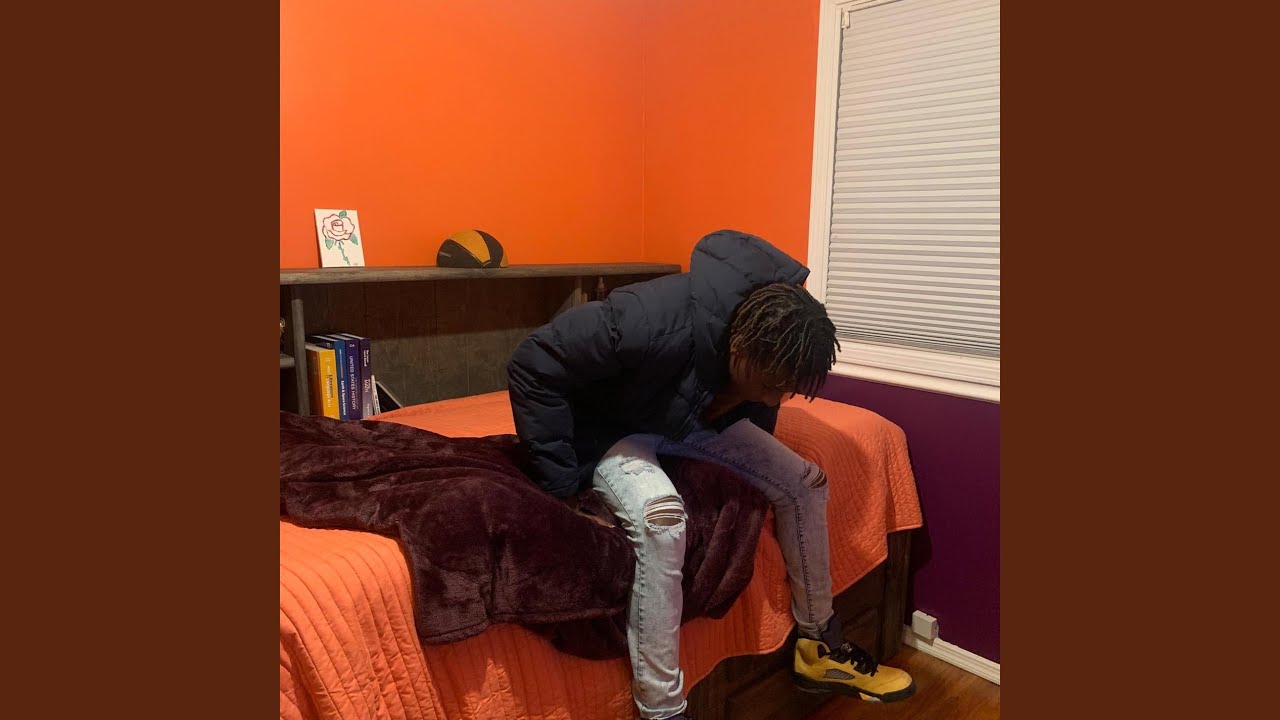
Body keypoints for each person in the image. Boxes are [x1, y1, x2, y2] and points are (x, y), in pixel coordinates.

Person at [507, 230, 915, 719]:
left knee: (806, 483)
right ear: (741, 345)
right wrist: (562, 487)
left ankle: (819, 646)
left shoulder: (771, 340)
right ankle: (662, 710)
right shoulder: (644, 317)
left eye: (785, 390)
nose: (774, 399)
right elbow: (532, 363)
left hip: (690, 420)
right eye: (770, 384)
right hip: (612, 427)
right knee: (664, 523)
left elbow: (756, 401)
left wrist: (745, 407)